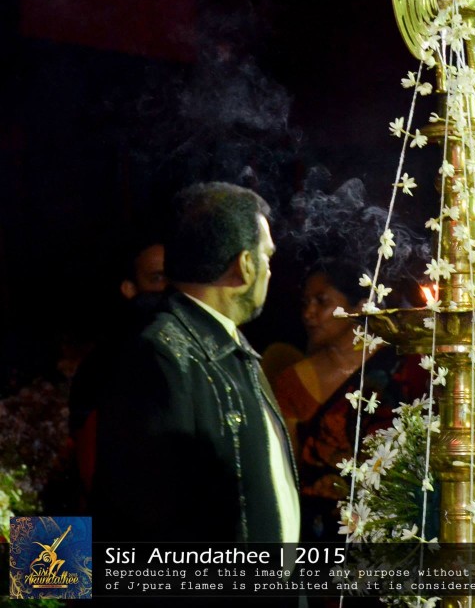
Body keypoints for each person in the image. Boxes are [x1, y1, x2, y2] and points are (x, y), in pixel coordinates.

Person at [92, 182, 300, 545]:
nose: (270, 271)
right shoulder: (161, 355)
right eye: (267, 257)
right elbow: (144, 517)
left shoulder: (226, 347)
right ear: (245, 265)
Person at [273, 257, 413, 542]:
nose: (308, 314)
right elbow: (287, 472)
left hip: (394, 527)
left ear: (360, 307)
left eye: (321, 301)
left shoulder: (402, 366)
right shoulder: (293, 381)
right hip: (319, 532)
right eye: (306, 303)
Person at [69, 236, 167, 497]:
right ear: (129, 288)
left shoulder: (195, 352)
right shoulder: (109, 359)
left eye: (174, 277)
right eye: (157, 278)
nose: (168, 289)